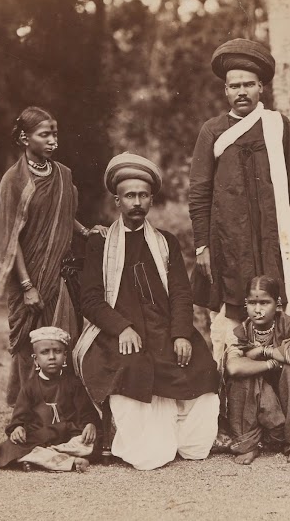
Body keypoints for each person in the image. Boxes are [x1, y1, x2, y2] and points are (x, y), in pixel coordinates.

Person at [74, 152, 220, 471]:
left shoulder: (165, 242)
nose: (137, 202)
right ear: (117, 200)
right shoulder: (100, 244)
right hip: (123, 334)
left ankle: (187, 439)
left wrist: (181, 333)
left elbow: (181, 293)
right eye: (130, 196)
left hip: (165, 329)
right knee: (132, 369)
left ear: (151, 199)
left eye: (143, 195)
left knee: (201, 366)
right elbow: (91, 299)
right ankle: (144, 442)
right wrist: (121, 328)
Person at [189, 38, 290, 364]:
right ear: (225, 91)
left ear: (261, 88)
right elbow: (199, 192)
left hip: (274, 245)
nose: (241, 91)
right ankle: (232, 394)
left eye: (248, 85)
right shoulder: (212, 131)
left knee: (279, 314)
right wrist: (203, 245)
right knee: (231, 324)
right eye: (234, 86)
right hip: (229, 245)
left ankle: (283, 392)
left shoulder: (278, 126)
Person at [0, 106, 106, 406]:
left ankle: (60, 406)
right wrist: (28, 286)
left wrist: (86, 233)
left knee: (61, 336)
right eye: (44, 135)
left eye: (54, 134)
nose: (52, 141)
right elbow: (11, 239)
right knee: (28, 342)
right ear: (24, 137)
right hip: (27, 277)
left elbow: (64, 216)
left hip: (59, 272)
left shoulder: (62, 174)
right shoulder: (13, 180)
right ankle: (28, 408)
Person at [0, 327, 98, 472]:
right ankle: (70, 462)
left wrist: (90, 425)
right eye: (45, 352)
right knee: (10, 447)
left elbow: (86, 412)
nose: (52, 357)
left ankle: (39, 459)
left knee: (90, 442)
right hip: (41, 435)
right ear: (36, 359)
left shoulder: (73, 383)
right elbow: (19, 417)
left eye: (57, 351)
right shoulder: (29, 387)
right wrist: (17, 428)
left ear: (65, 356)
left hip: (68, 435)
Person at [224, 275, 290, 465]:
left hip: (284, 402)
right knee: (242, 377)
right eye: (252, 303)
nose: (258, 310)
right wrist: (270, 362)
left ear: (277, 303)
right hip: (255, 404)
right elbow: (234, 367)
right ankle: (249, 443)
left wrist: (262, 351)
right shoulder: (241, 331)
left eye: (264, 302)